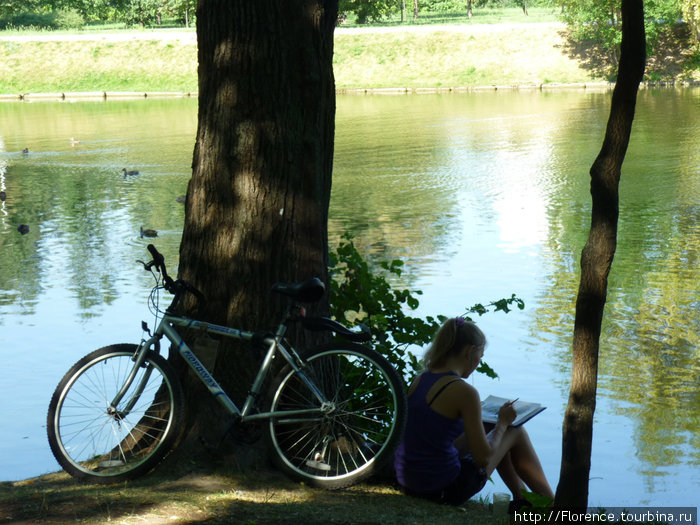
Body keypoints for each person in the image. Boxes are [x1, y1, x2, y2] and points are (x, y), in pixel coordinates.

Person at [394, 317, 554, 507]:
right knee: (514, 431)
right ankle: (555, 506)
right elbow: (483, 458)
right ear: (470, 352)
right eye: (480, 356)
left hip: (408, 481)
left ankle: (523, 498)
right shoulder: (465, 391)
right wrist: (502, 424)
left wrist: (492, 428)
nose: (478, 362)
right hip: (444, 490)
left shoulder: (421, 379)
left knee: (490, 428)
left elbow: (434, 440)